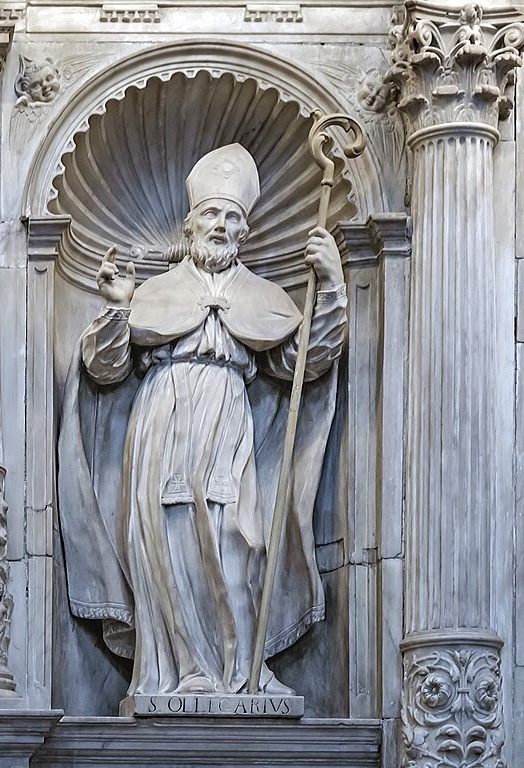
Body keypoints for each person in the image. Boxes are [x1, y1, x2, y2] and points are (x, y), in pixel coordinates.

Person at [58, 143, 347, 697]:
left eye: (232, 217)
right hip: (163, 425)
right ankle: (179, 671)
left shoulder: (263, 297)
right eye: (211, 214)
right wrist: (118, 306)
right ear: (189, 225)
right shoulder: (154, 293)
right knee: (170, 545)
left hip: (229, 421)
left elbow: (304, 363)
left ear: (245, 232)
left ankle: (242, 674)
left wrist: (331, 285)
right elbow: (104, 368)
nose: (221, 226)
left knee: (241, 541)